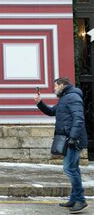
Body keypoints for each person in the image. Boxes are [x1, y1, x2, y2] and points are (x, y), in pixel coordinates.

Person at [35, 77, 88, 213]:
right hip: (68, 138)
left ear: (62, 85)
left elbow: (79, 118)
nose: (54, 89)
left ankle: (80, 200)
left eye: (55, 86)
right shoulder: (65, 98)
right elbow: (52, 112)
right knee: (73, 168)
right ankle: (74, 198)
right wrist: (40, 103)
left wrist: (73, 137)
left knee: (69, 168)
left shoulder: (73, 97)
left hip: (73, 140)